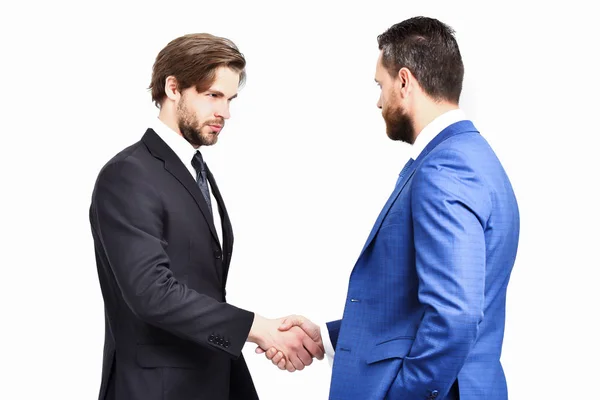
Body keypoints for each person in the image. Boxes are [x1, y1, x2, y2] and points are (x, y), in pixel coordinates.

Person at [262, 16, 520, 400]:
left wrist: (403, 395)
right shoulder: (475, 157)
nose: (379, 100)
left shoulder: (447, 167)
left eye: (380, 85)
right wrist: (329, 338)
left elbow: (456, 316)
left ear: (404, 81)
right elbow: (416, 305)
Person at [89, 33, 323, 400]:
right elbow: (151, 292)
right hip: (157, 389)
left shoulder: (196, 170)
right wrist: (259, 328)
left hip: (215, 377)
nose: (225, 113)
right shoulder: (128, 174)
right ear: (173, 88)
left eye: (230, 100)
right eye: (213, 95)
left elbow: (200, 284)